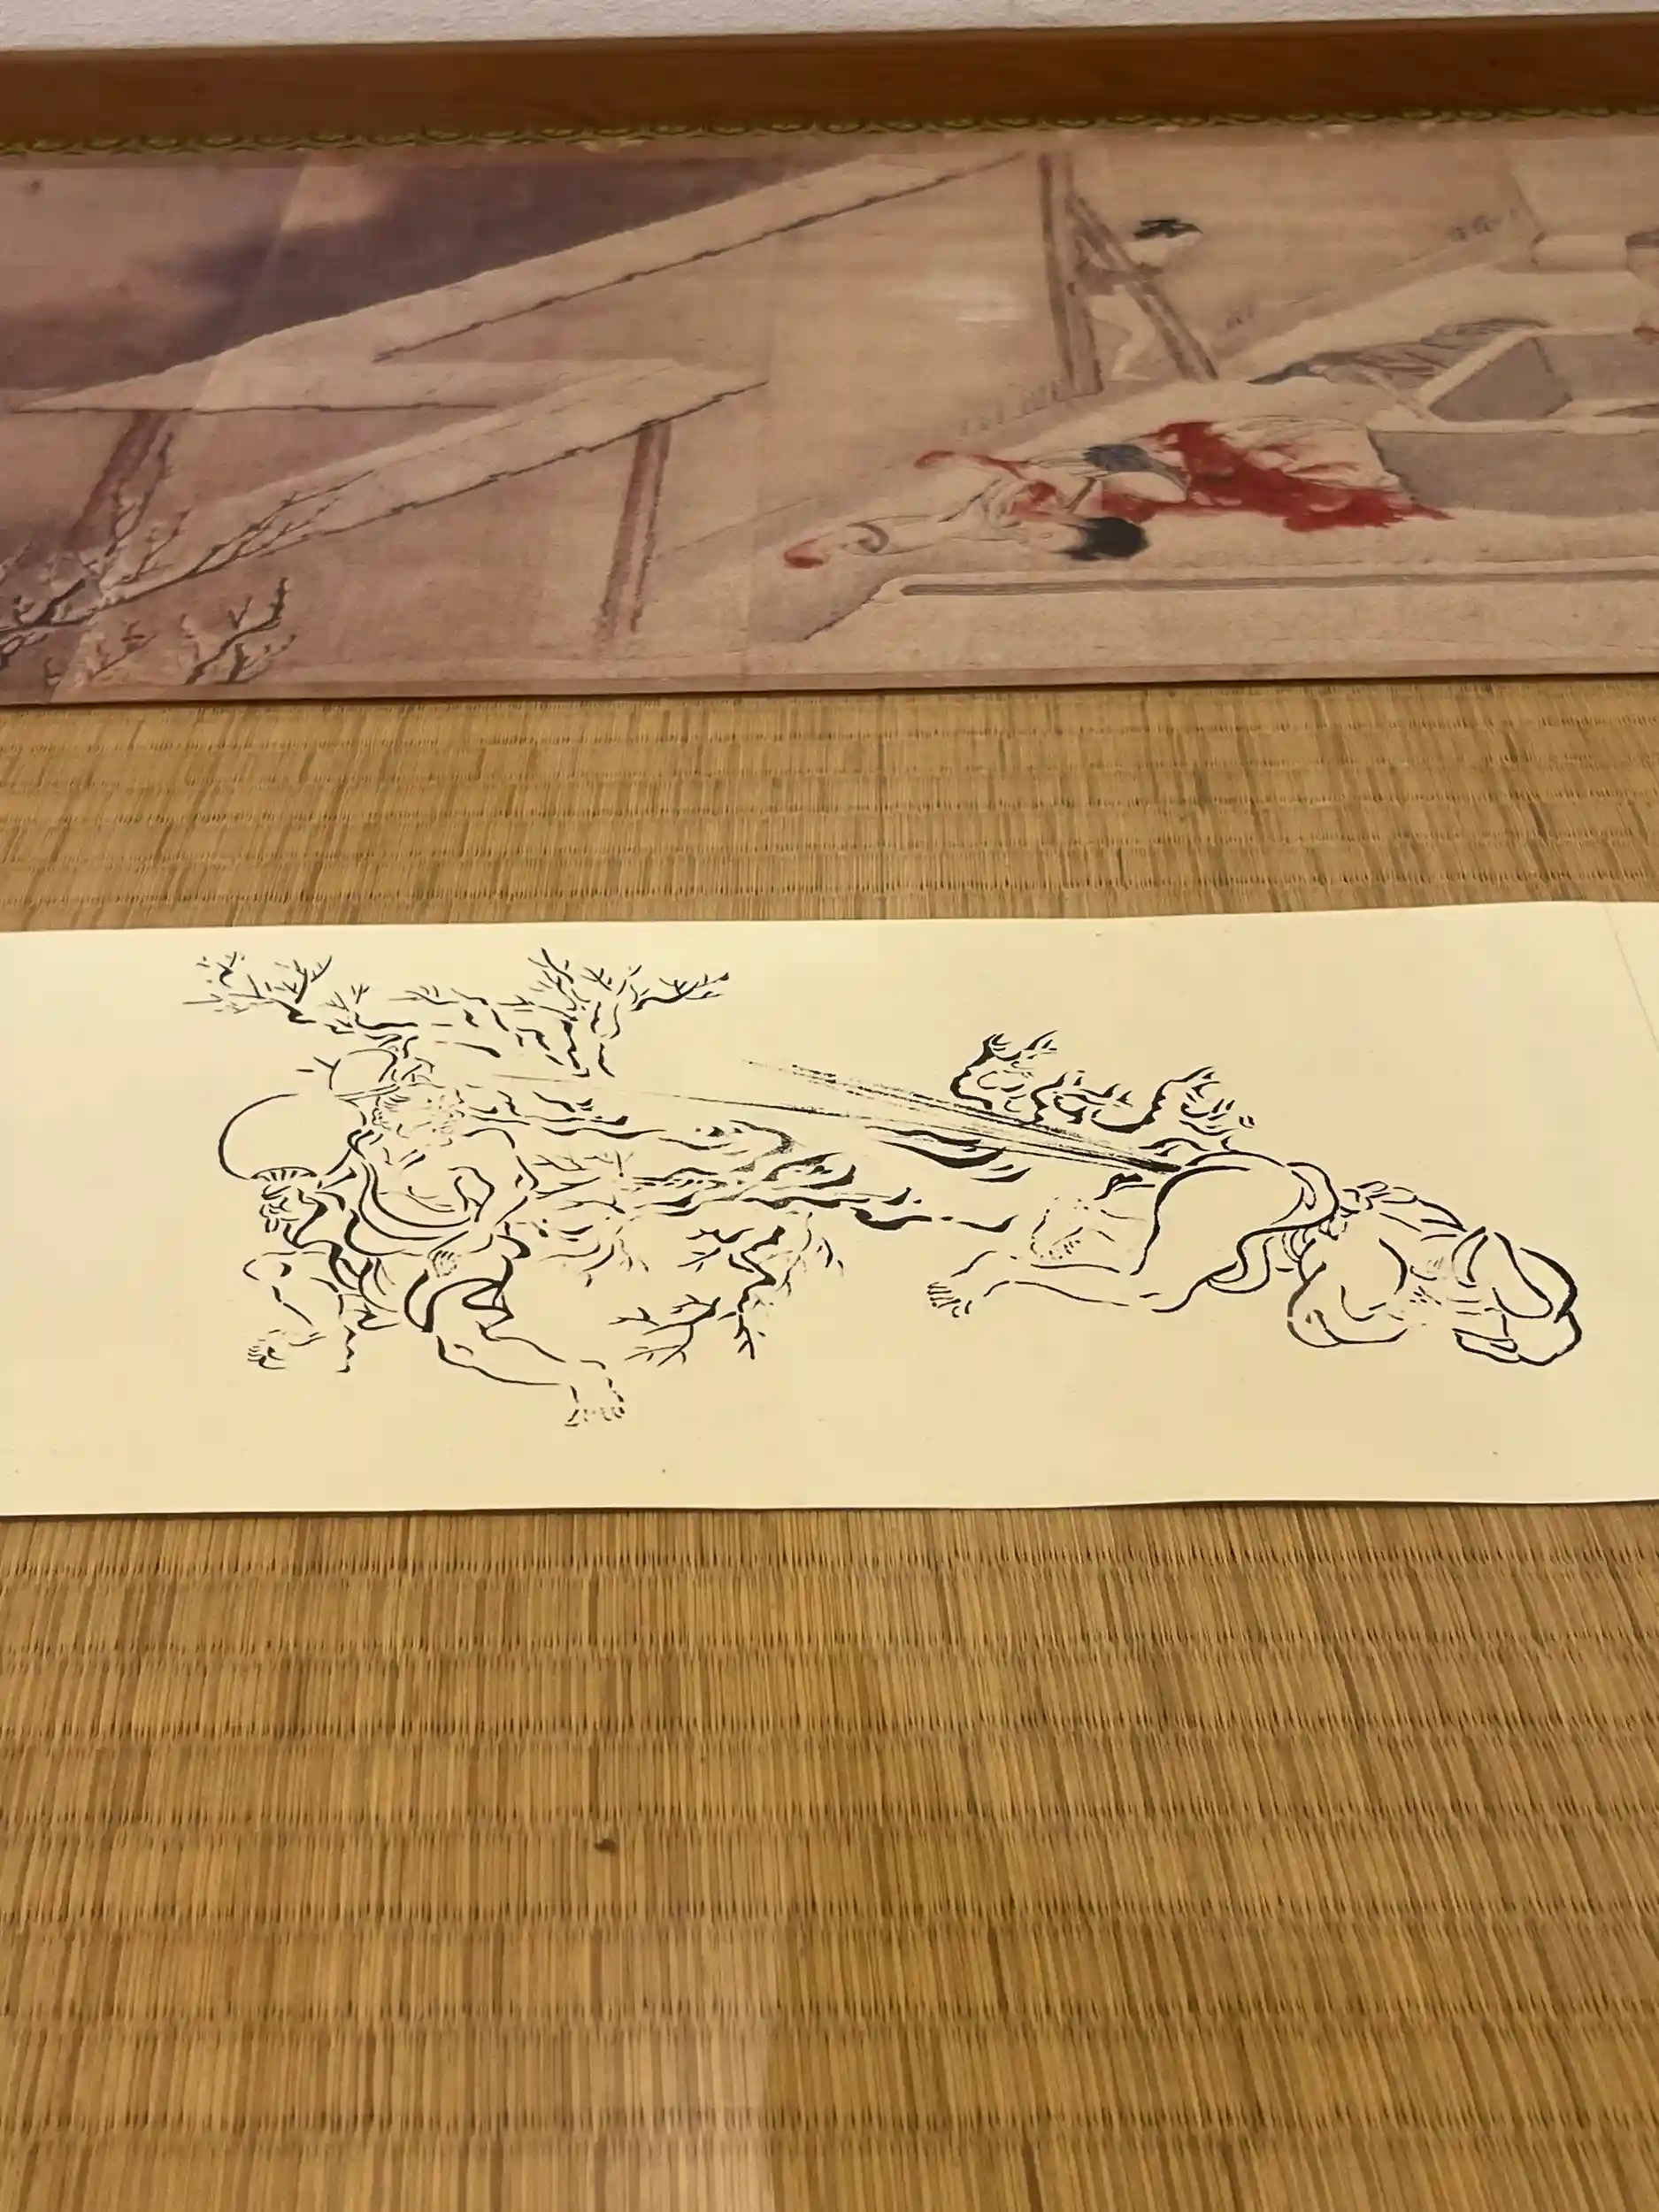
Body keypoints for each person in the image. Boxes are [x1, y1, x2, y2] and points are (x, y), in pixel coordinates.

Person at [782, 412, 1443, 572]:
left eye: (1038, 542)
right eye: (1048, 535)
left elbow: (929, 529)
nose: (1029, 535)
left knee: (949, 525)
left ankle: (838, 544)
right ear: (1079, 525)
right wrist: (980, 462)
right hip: (1148, 465)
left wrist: (838, 543)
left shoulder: (1002, 522)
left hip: (1110, 471)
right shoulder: (1121, 494)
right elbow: (1100, 468)